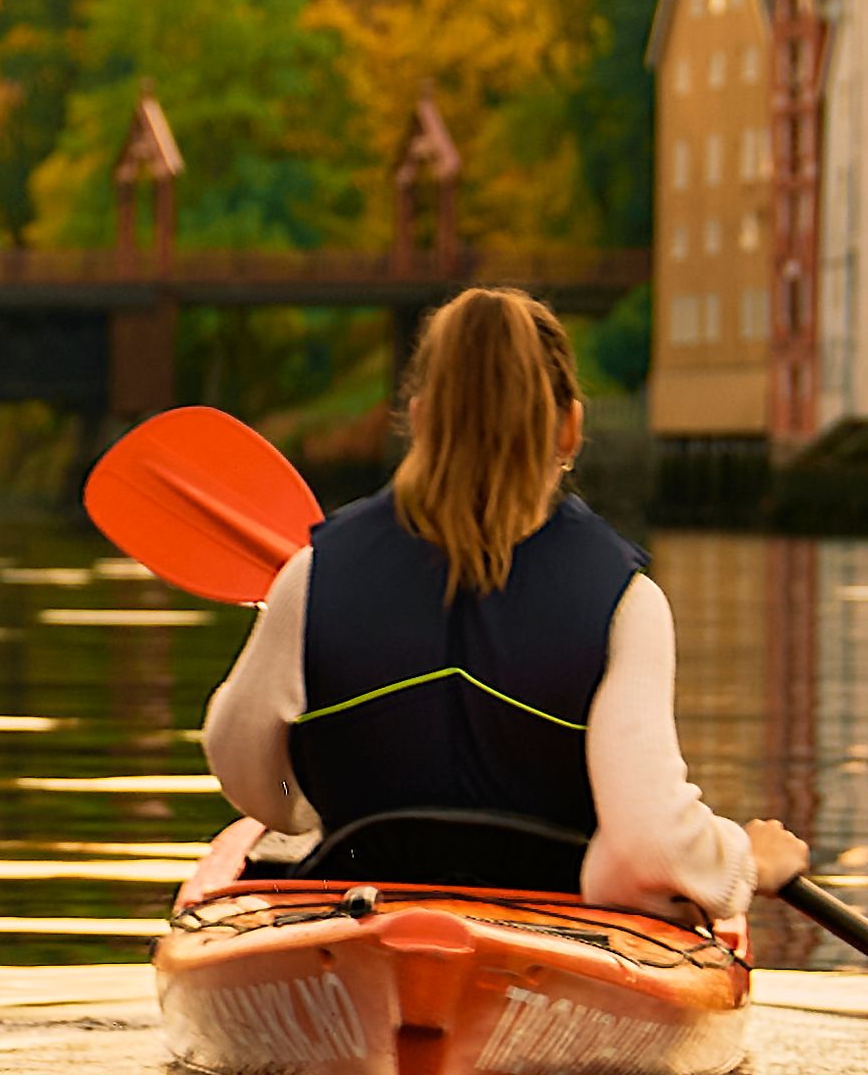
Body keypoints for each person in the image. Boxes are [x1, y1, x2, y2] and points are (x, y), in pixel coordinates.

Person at [194, 284, 798, 929]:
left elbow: (242, 770)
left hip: (353, 910)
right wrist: (743, 863)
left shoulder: (312, 577)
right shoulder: (626, 602)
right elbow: (647, 839)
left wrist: (302, 810)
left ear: (421, 419)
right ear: (569, 426)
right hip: (555, 929)